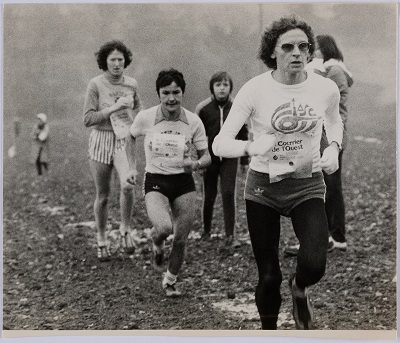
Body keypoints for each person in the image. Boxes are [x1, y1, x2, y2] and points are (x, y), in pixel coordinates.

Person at [212, 16, 343, 330]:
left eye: (303, 46)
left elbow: (334, 122)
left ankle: (299, 288)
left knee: (315, 263)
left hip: (307, 183)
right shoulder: (255, 90)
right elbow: (220, 144)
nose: (297, 52)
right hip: (263, 190)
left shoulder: (325, 88)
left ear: (310, 51)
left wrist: (333, 148)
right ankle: (269, 333)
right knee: (269, 276)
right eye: (288, 47)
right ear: (272, 52)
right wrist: (251, 149)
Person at [126, 69, 211, 297]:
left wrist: (194, 164)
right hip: (156, 179)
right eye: (166, 93)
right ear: (158, 94)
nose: (171, 98)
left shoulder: (193, 121)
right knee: (164, 228)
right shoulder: (146, 117)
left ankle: (170, 281)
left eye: (176, 92)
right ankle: (156, 240)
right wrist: (131, 166)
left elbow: (207, 156)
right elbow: (130, 137)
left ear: (183, 93)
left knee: (181, 238)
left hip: (183, 182)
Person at [285, 34, 354, 256]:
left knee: (327, 187)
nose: (312, 53)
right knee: (329, 187)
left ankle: (329, 237)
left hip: (329, 136)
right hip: (330, 135)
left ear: (325, 50)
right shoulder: (335, 70)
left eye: (315, 49)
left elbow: (319, 99)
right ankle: (331, 237)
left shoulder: (333, 72)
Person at [83, 40, 142, 261]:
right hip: (101, 138)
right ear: (104, 62)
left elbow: (139, 107)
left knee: (128, 185)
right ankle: (101, 239)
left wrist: (139, 123)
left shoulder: (132, 84)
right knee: (103, 195)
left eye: (120, 59)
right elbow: (88, 118)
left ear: (125, 60)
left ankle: (125, 231)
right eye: (112, 60)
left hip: (123, 139)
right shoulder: (95, 84)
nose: (117, 64)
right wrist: (114, 108)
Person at [195, 72, 249, 247]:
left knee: (228, 193)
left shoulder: (237, 107)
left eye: (225, 85)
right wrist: (200, 160)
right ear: (212, 88)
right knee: (209, 195)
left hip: (229, 156)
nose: (222, 88)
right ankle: (206, 231)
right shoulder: (203, 109)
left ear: (230, 88)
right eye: (218, 85)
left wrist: (244, 160)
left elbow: (243, 133)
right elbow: (197, 135)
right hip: (209, 157)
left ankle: (230, 235)